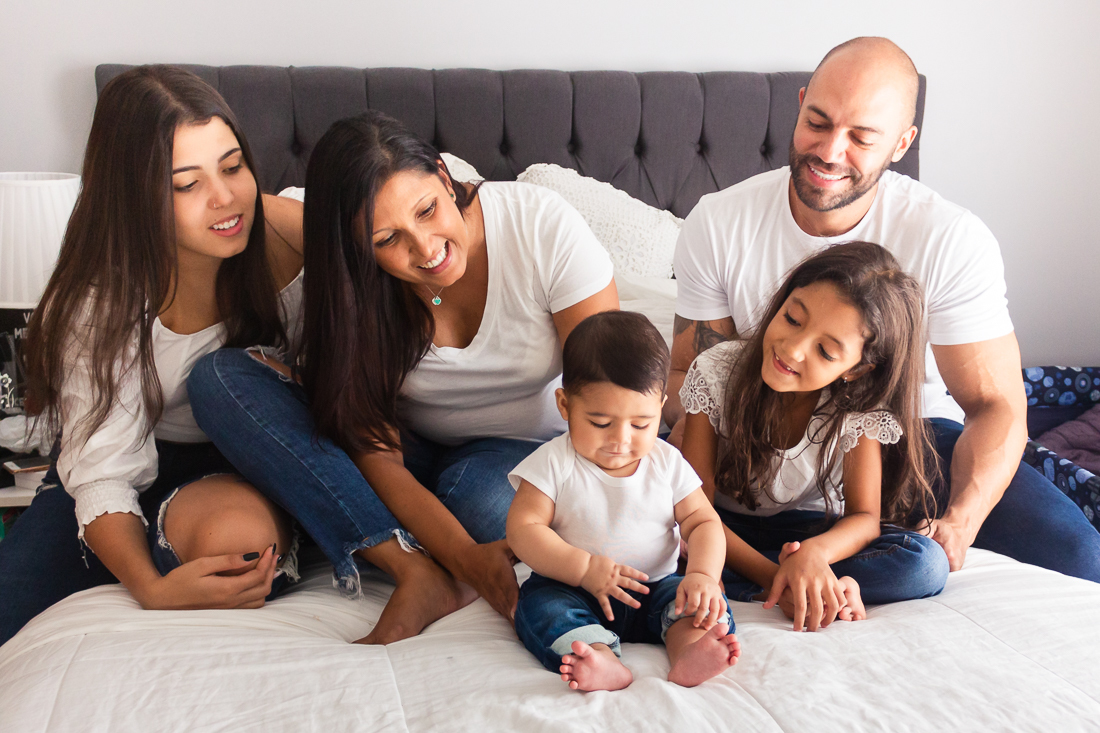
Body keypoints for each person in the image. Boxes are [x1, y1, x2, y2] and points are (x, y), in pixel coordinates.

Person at [666, 36, 1100, 582]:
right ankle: (777, 578)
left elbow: (996, 404)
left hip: (908, 439)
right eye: (817, 122)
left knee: (1081, 558)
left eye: (860, 138)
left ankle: (826, 574)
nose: (829, 151)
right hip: (757, 439)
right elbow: (689, 372)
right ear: (799, 104)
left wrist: (960, 523)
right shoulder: (719, 221)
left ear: (901, 144)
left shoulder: (951, 238)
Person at [187, 110, 619, 644]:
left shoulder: (539, 225)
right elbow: (375, 450)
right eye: (387, 239)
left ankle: (376, 526)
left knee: (479, 502)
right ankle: (418, 569)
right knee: (220, 379)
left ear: (443, 175)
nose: (425, 249)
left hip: (525, 454)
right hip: (410, 449)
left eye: (428, 210)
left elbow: (608, 387)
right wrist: (465, 558)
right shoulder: (355, 289)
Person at [0, 66, 306, 646]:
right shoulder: (101, 300)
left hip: (244, 456)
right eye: (186, 184)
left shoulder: (294, 235)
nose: (225, 199)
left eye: (234, 166)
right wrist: (151, 588)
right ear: (135, 196)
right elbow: (103, 472)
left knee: (239, 554)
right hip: (113, 448)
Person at [679, 243, 948, 631]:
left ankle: (798, 583)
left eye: (824, 350)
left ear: (855, 371)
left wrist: (813, 555)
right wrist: (777, 577)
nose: (792, 349)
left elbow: (864, 518)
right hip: (716, 527)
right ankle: (795, 588)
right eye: (791, 318)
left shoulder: (857, 407)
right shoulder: (716, 372)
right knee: (658, 546)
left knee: (925, 564)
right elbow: (694, 511)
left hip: (804, 531)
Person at [507, 311, 739, 691]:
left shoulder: (665, 462)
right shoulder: (554, 462)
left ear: (661, 406)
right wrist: (582, 569)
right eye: (600, 423)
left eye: (641, 424)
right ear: (565, 406)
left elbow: (703, 522)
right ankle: (599, 656)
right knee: (541, 609)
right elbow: (522, 529)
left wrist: (702, 575)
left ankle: (689, 650)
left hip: (656, 586)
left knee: (700, 607)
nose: (621, 439)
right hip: (572, 588)